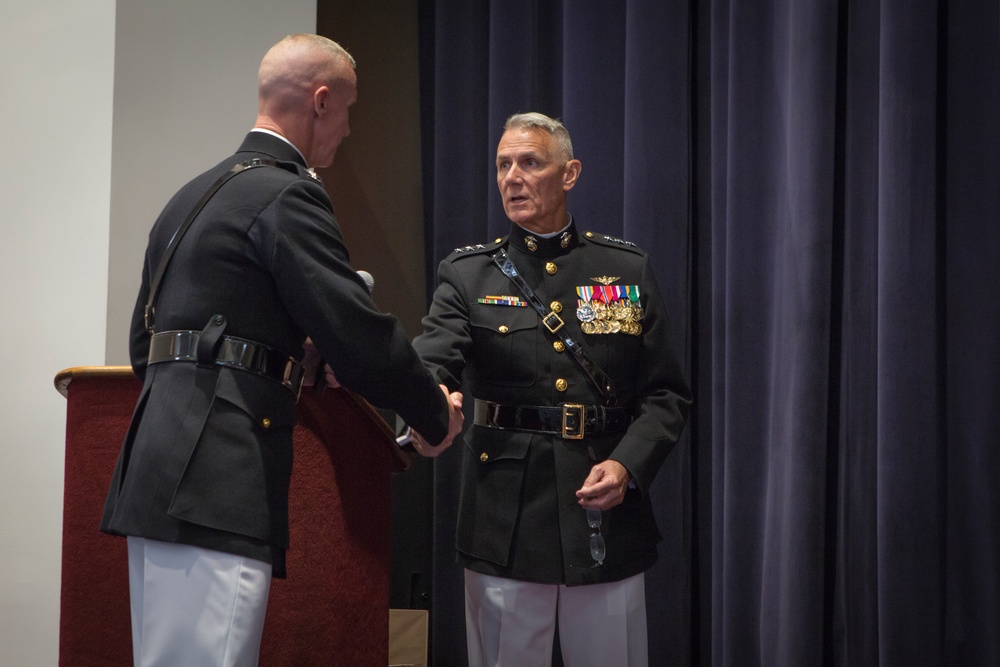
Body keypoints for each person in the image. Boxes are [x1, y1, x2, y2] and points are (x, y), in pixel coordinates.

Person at [100, 34, 463, 666]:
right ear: (321, 101)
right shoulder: (289, 194)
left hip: (155, 479)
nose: (347, 130)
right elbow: (355, 330)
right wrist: (432, 411)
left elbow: (143, 347)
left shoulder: (188, 198)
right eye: (348, 109)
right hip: (219, 480)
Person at [412, 112, 692, 666]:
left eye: (530, 162)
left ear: (570, 174)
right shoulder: (468, 275)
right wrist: (428, 405)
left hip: (604, 514)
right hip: (504, 523)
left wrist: (628, 467)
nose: (512, 177)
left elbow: (665, 395)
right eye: (503, 165)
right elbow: (433, 361)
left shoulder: (624, 269)